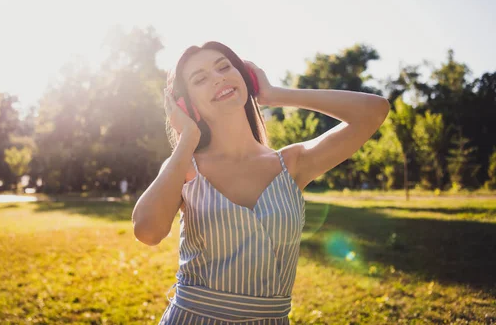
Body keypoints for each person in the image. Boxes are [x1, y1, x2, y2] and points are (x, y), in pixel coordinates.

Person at [132, 42, 390, 324]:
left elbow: (374, 110)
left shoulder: (292, 164)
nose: (218, 78)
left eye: (224, 67)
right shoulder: (184, 167)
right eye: (200, 78)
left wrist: (275, 94)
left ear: (246, 78)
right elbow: (147, 232)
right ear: (185, 104)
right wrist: (187, 139)